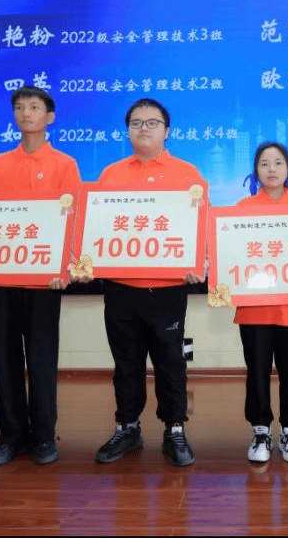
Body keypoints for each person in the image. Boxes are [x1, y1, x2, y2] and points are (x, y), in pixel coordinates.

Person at [0, 86, 82, 466]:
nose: (26, 113)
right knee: (4, 359)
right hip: (0, 280)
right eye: (19, 107)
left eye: (34, 107)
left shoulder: (65, 164)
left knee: (41, 359)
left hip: (44, 281)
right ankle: (12, 436)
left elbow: (72, 220)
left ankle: (44, 436)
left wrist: (64, 268)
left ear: (50, 117)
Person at [90, 98, 206, 467]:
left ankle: (175, 429)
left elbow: (200, 228)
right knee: (126, 362)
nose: (144, 128)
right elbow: (97, 228)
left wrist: (198, 261)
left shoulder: (187, 174)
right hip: (121, 286)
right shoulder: (110, 174)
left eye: (152, 122)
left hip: (168, 287)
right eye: (136, 122)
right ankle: (127, 427)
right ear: (127, 130)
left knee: (171, 361)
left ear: (167, 131)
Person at [236, 142, 288, 464]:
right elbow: (232, 253)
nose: (271, 169)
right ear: (256, 171)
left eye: (278, 163)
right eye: (264, 163)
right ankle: (261, 430)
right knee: (257, 373)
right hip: (254, 309)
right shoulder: (242, 209)